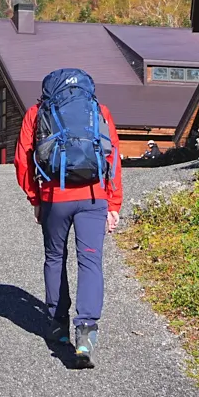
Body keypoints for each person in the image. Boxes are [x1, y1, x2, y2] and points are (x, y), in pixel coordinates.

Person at [16, 67, 122, 367]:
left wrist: (35, 198)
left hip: (54, 196)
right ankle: (86, 332)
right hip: (94, 196)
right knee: (90, 261)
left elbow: (23, 160)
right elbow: (113, 156)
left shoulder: (37, 112)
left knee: (54, 257)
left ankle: (57, 324)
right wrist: (113, 204)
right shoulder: (98, 110)